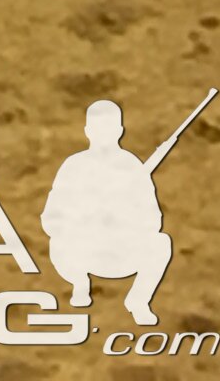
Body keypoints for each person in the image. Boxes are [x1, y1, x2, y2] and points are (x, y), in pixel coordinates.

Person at [41, 99, 180, 327]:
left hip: (121, 253)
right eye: (97, 128)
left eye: (108, 128)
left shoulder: (132, 166)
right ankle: (79, 283)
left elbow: (153, 220)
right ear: (87, 131)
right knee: (58, 242)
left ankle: (138, 301)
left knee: (161, 243)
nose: (102, 134)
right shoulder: (73, 166)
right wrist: (83, 220)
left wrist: (123, 219)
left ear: (119, 131)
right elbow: (50, 218)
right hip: (81, 253)